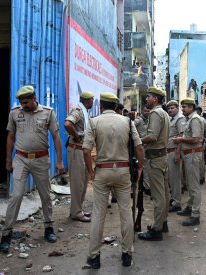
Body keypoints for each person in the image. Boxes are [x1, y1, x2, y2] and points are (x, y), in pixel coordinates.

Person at [0, 86, 65, 253]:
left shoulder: (48, 113)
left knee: (45, 195)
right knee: (16, 195)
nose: (23, 105)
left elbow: (56, 136)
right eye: (21, 102)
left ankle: (48, 227)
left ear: (34, 99)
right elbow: (11, 137)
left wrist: (59, 161)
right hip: (21, 159)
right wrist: (8, 159)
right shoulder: (15, 113)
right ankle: (6, 233)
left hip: (41, 159)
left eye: (26, 102)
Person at [83, 92, 144, 269]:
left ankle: (94, 257)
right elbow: (139, 147)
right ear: (115, 106)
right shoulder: (126, 121)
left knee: (98, 214)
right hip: (123, 171)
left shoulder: (93, 122)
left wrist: (90, 172)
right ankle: (126, 254)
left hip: (102, 171)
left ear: (101, 105)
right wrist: (140, 167)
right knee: (125, 212)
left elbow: (86, 150)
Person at [138, 87, 170, 241]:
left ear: (155, 99)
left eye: (149, 96)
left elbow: (152, 136)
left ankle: (157, 229)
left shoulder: (156, 113)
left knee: (158, 196)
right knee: (164, 194)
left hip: (155, 159)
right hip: (162, 157)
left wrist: (137, 141)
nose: (146, 99)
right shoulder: (164, 113)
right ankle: (162, 223)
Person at [64, 91, 94, 223]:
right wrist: (76, 136)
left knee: (83, 181)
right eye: (92, 100)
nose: (93, 102)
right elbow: (68, 124)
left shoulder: (85, 111)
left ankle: (77, 209)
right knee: (77, 183)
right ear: (87, 101)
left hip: (83, 151)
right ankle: (76, 212)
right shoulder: (78, 111)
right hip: (77, 150)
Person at [173, 98, 204, 226]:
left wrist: (181, 140)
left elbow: (196, 139)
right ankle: (190, 207)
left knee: (194, 185)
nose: (182, 109)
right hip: (189, 154)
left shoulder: (195, 119)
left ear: (191, 107)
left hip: (192, 154)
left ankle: (195, 214)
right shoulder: (189, 119)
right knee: (191, 184)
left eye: (184, 107)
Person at [166, 100, 185, 212]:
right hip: (169, 151)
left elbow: (181, 137)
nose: (170, 110)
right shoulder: (170, 119)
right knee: (170, 178)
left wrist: (178, 153)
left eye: (172, 108)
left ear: (177, 108)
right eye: (168, 108)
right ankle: (173, 198)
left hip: (174, 151)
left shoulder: (180, 119)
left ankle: (177, 202)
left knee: (175, 178)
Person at [134, 105, 151, 191]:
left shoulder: (149, 120)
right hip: (140, 146)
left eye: (148, 111)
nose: (147, 113)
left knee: (146, 166)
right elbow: (131, 126)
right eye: (145, 111)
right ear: (142, 111)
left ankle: (144, 185)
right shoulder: (138, 120)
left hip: (147, 145)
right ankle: (145, 186)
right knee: (143, 166)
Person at [195, 106, 206, 184]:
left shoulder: (196, 119)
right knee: (201, 160)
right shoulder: (203, 119)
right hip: (202, 142)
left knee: (197, 162)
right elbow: (205, 131)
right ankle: (202, 178)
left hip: (196, 142)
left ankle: (199, 178)